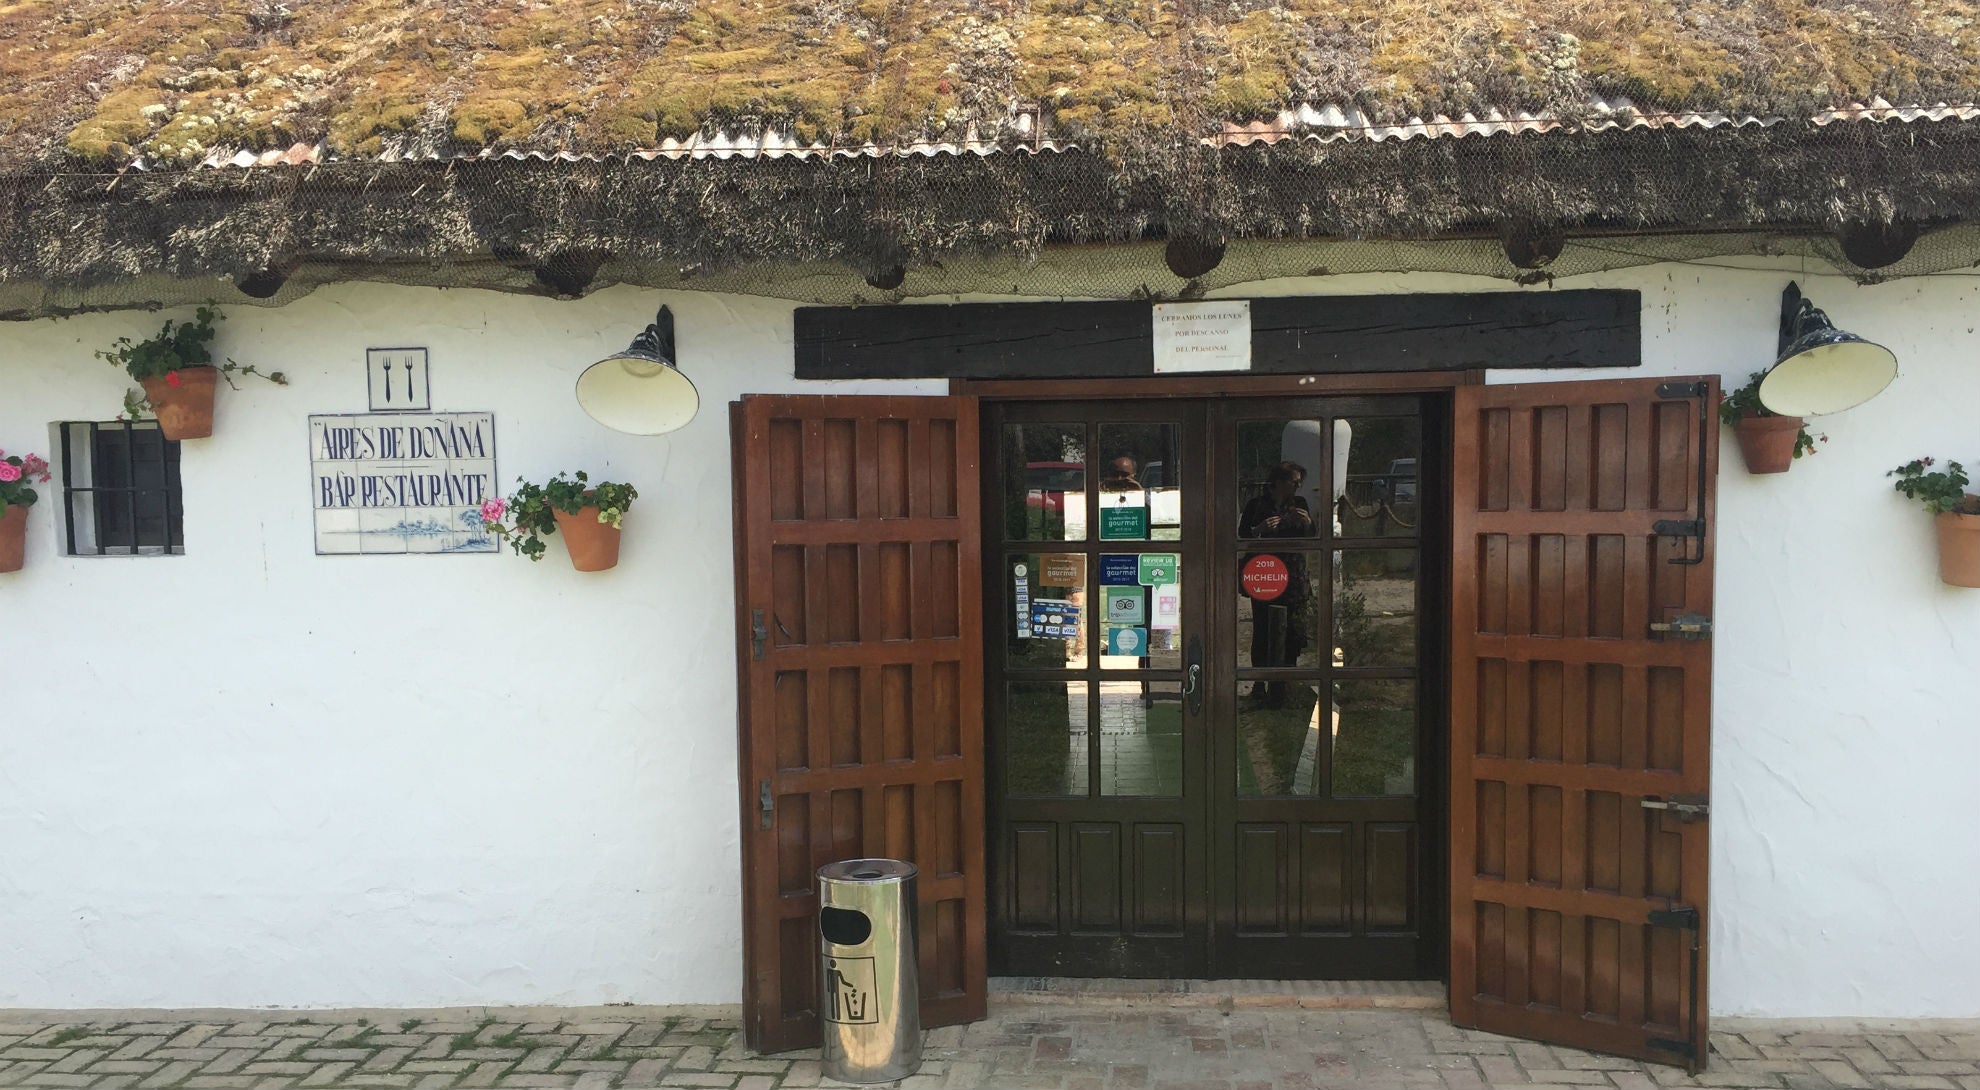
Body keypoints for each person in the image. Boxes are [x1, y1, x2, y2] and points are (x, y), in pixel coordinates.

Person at [1239, 461, 1312, 704]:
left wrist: (1308, 524)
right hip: (1264, 574)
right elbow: (1242, 536)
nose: (1297, 486)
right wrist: (1259, 529)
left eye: (1299, 482)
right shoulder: (1256, 505)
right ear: (1279, 481)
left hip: (1292, 574)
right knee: (1262, 629)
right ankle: (1259, 683)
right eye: (1294, 481)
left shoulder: (1299, 505)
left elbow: (1312, 538)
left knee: (1292, 629)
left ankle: (1284, 682)